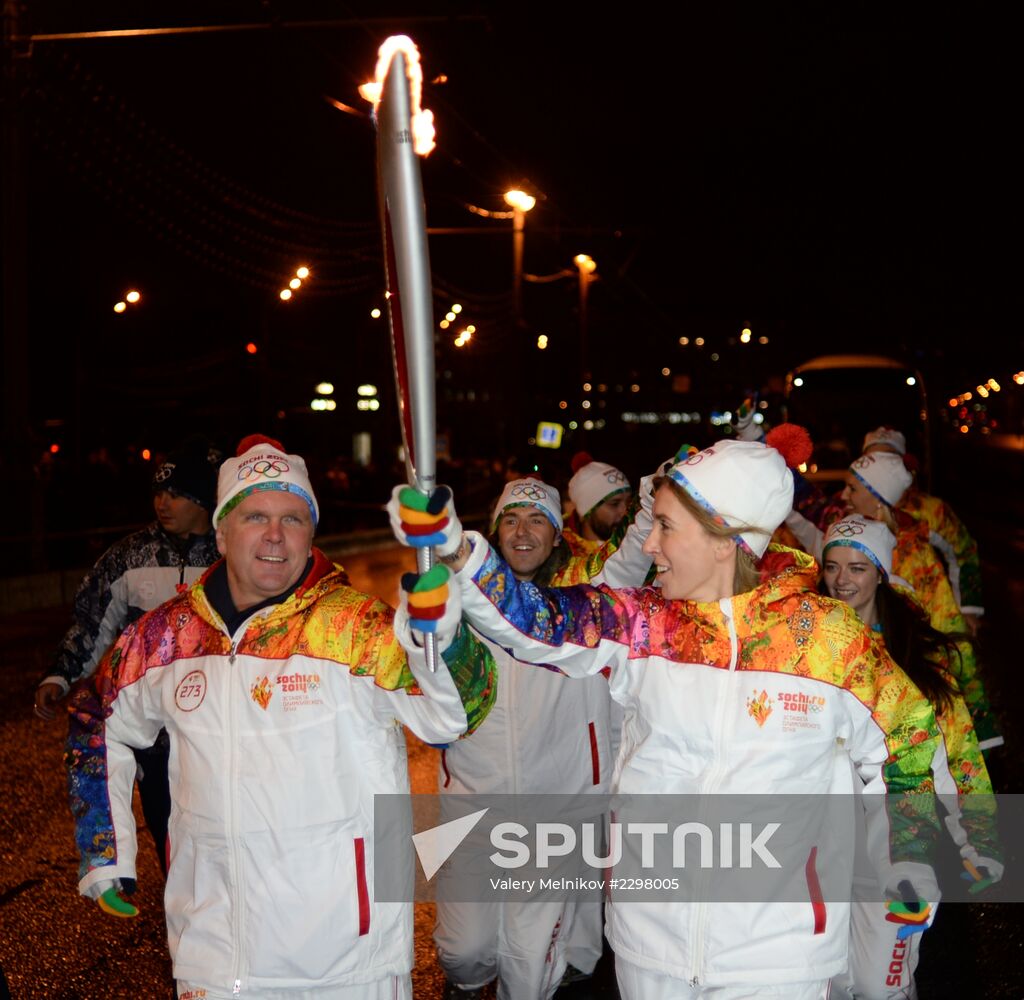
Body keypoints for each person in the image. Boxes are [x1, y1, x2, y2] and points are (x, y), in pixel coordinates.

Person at [393, 429, 946, 1000]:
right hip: (649, 949)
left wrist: (910, 857)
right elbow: (544, 621)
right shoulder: (648, 625)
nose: (649, 544)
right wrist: (461, 551)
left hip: (778, 957)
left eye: (665, 526)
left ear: (723, 539)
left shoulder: (827, 641)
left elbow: (906, 741)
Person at [66, 438, 496, 1000]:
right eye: (255, 517)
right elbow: (96, 718)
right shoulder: (167, 638)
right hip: (216, 957)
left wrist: (440, 641)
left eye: (293, 517)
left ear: (311, 532)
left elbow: (458, 715)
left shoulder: (355, 628)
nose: (275, 534)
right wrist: (106, 850)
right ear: (220, 532)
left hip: (347, 958)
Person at [389, 475, 653, 1000]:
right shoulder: (455, 594)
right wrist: (422, 629)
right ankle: (468, 987)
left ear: (558, 534)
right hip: (470, 803)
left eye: (537, 520)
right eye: (510, 519)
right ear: (494, 531)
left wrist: (650, 504)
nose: (522, 531)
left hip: (555, 810)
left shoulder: (585, 601)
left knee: (529, 965)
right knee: (462, 953)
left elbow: (628, 556)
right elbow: (422, 671)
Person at [819, 514, 1001, 999]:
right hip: (820, 847)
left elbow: (958, 754)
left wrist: (977, 839)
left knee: (882, 987)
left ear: (880, 572)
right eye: (833, 566)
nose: (842, 579)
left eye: (857, 567)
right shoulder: (805, 647)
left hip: (899, 844)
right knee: (828, 983)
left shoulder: (914, 656)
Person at [37, 435, 222, 873]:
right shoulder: (128, 557)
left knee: (219, 828)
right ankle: (190, 919)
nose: (163, 503)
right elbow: (92, 624)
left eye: (176, 494)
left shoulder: (230, 556)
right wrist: (59, 677)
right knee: (166, 829)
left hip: (215, 728)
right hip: (153, 734)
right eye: (158, 492)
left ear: (201, 499)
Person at [785, 449, 1002, 754]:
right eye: (833, 567)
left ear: (877, 496)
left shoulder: (915, 552)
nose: (843, 494)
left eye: (853, 488)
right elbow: (807, 504)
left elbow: (948, 631)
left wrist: (981, 725)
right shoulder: (843, 530)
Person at [862, 426, 984, 632]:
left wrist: (967, 608)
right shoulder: (849, 503)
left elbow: (964, 551)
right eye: (873, 461)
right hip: (868, 615)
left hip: (923, 615)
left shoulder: (930, 510)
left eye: (888, 460)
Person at [562, 453, 632, 556]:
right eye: (614, 504)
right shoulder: (563, 556)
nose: (625, 512)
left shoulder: (638, 544)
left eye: (628, 502)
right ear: (587, 511)